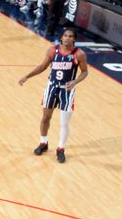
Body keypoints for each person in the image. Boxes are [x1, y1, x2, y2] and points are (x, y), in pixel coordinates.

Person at [18, 28, 88, 163]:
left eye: (70, 36)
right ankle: (43, 143)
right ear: (61, 37)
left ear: (74, 39)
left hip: (67, 90)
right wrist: (27, 76)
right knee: (45, 117)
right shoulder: (52, 50)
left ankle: (61, 148)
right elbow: (42, 66)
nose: (67, 38)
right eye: (65, 35)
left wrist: (75, 82)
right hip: (51, 87)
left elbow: (85, 72)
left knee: (64, 122)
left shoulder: (79, 54)